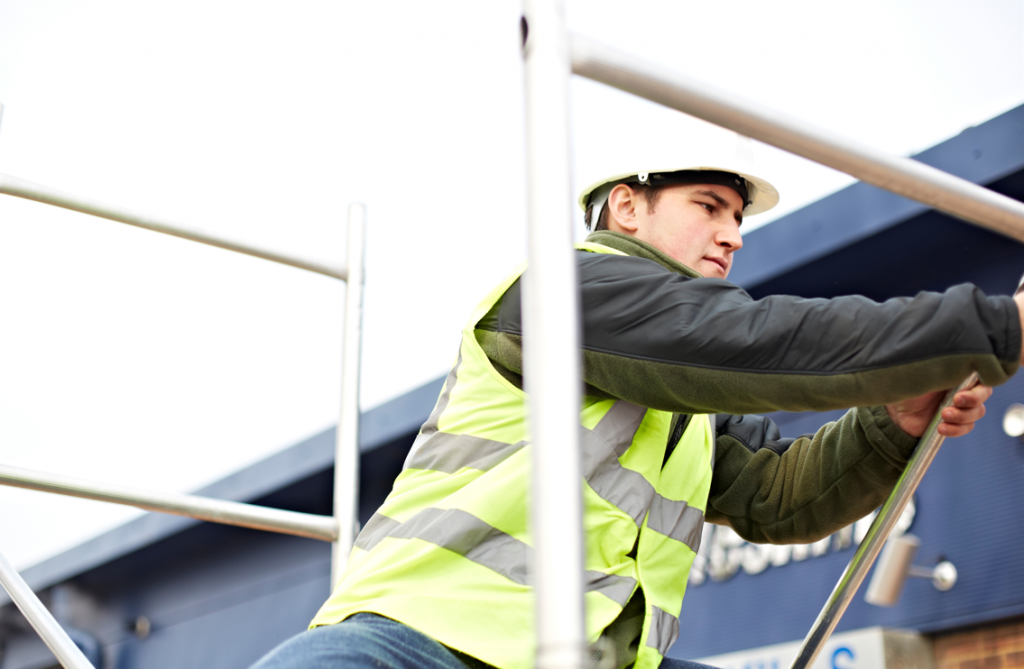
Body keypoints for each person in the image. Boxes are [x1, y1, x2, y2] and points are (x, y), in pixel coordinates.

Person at [252, 162, 1019, 669]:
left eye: (737, 217)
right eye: (709, 207)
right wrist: (991, 328)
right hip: (428, 637)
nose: (733, 233)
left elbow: (781, 494)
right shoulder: (570, 291)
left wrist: (896, 419)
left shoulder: (687, 395)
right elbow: (754, 343)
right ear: (626, 205)